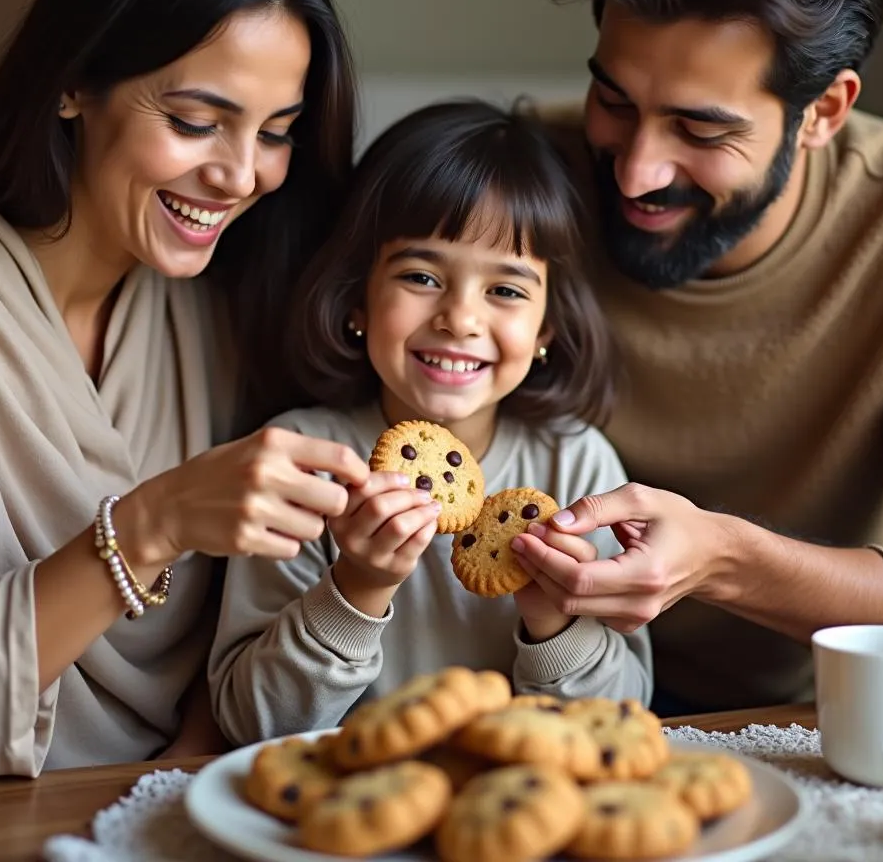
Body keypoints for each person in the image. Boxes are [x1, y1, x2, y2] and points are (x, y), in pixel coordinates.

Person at [0, 0, 373, 782]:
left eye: (278, 132)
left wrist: (187, 770)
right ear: (71, 85)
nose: (241, 175)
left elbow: (252, 630)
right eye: (195, 123)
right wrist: (155, 522)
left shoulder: (226, 302)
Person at [510, 0, 883, 716]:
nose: (637, 172)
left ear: (823, 112)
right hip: (530, 699)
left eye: (700, 131)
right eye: (614, 101)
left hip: (791, 723)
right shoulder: (522, 185)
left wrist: (722, 560)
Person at [209, 100, 653, 745]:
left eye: (505, 290)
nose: (461, 319)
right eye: (421, 276)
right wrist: (357, 588)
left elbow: (627, 723)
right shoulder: (303, 461)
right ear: (358, 298)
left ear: (547, 328)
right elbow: (251, 725)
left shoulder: (578, 470)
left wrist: (555, 623)